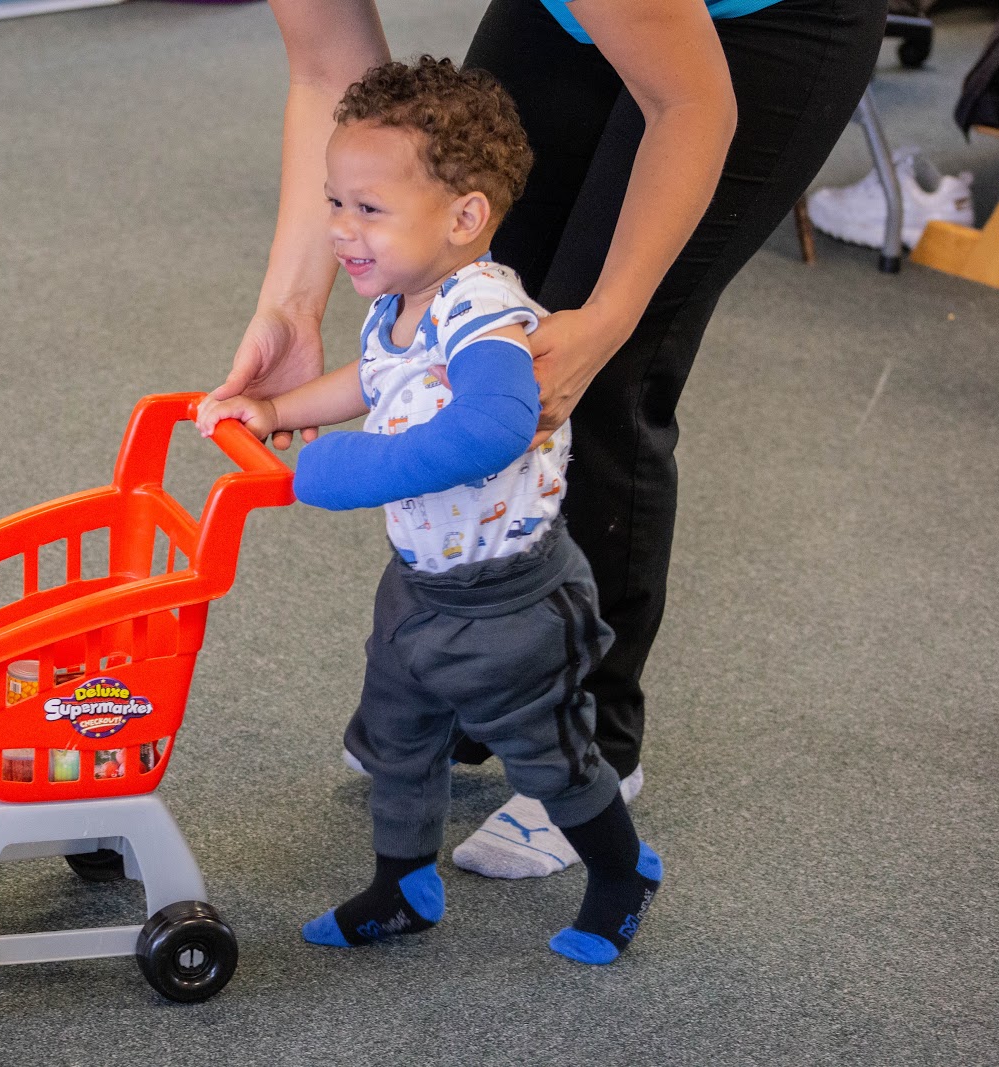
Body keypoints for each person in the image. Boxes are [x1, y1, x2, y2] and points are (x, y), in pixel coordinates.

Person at [216, 0, 886, 878]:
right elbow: (327, 73)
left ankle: (592, 741)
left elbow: (693, 107)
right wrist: (292, 306)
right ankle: (476, 686)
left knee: (582, 375)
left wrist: (606, 320)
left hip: (768, 23)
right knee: (472, 284)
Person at [198, 58, 659, 964]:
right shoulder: (402, 301)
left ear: (464, 218)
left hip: (511, 598)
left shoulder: (482, 311)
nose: (340, 230)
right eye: (335, 202)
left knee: (548, 752)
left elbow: (495, 424)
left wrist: (358, 468)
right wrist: (279, 412)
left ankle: (620, 871)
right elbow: (372, 382)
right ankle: (403, 882)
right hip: (419, 584)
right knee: (400, 738)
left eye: (368, 209)